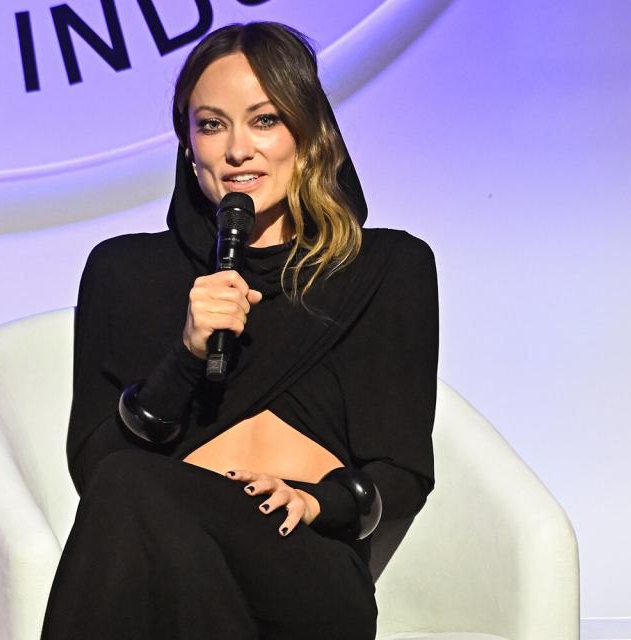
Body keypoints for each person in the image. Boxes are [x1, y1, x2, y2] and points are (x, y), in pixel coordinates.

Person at [40, 21, 438, 640]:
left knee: (134, 501)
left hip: (304, 563)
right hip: (168, 562)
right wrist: (185, 355)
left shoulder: (386, 268)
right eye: (211, 124)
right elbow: (98, 472)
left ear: (308, 135)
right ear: (187, 144)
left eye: (264, 120)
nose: (236, 151)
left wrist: (316, 501)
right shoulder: (122, 272)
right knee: (135, 506)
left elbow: (401, 470)